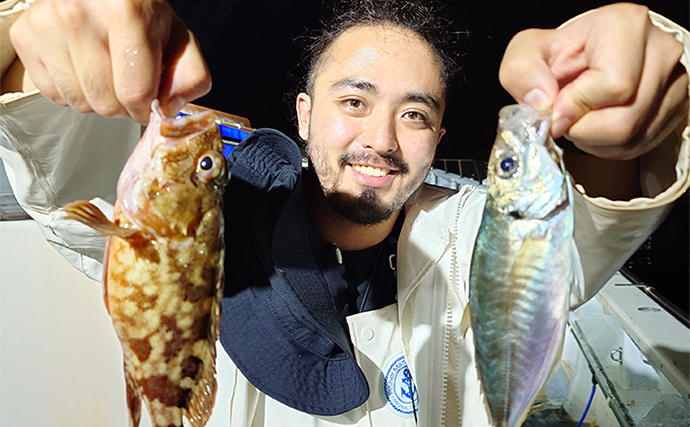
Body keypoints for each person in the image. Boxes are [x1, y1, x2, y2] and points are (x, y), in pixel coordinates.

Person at [1, 0, 688, 425]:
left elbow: (576, 239)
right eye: (353, 101)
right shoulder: (208, 224)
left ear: (441, 139)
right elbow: (67, 175)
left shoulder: (478, 232)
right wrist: (30, 48)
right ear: (304, 113)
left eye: (413, 113)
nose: (381, 140)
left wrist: (626, 122)